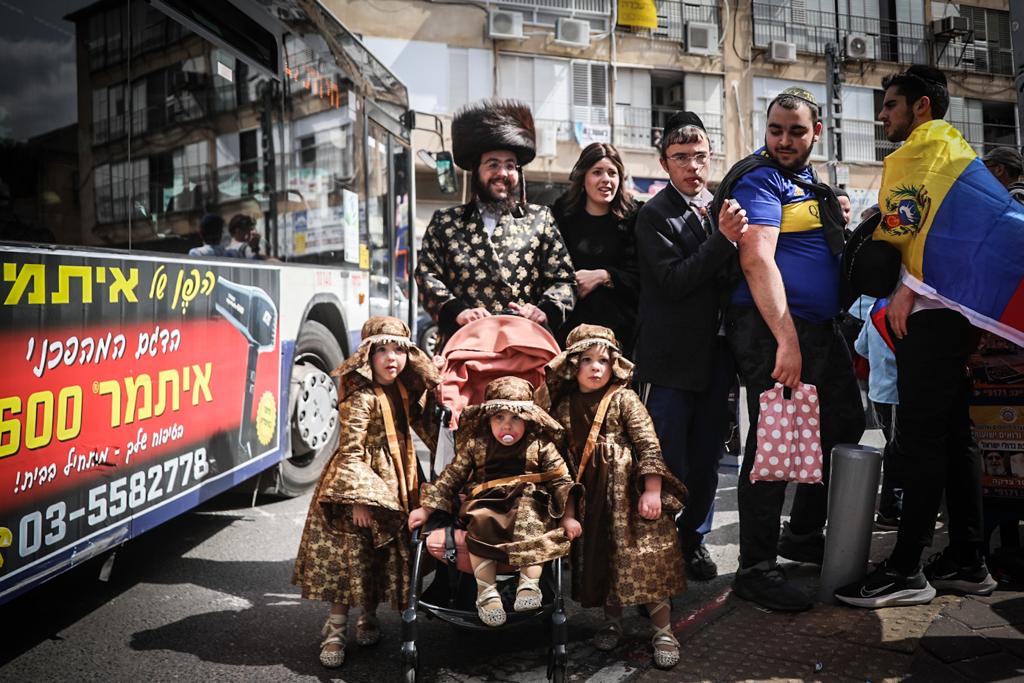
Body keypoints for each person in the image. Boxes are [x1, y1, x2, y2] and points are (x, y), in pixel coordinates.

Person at [835, 65, 997, 607]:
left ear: (921, 106)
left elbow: (926, 229)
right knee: (953, 435)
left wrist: (909, 289)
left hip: (930, 312)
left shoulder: (926, 150)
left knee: (922, 439)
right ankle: (968, 560)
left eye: (890, 104)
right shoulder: (953, 149)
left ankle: (906, 569)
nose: (882, 115)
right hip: (952, 313)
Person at [719, 87, 865, 611]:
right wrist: (786, 341)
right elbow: (757, 260)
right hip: (774, 330)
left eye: (796, 130)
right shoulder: (761, 178)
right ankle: (755, 569)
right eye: (775, 128)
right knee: (773, 447)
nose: (783, 139)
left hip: (819, 329)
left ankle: (801, 534)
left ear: (816, 133)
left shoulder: (805, 181)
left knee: (845, 424)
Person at [633, 111, 749, 582]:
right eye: (681, 158)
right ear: (664, 163)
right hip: (670, 362)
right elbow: (674, 280)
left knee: (707, 461)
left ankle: (693, 542)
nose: (692, 167)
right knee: (666, 463)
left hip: (719, 357)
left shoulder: (725, 206)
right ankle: (656, 552)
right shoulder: (654, 214)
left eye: (700, 157)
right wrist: (723, 241)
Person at [292, 316, 441, 668]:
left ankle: (368, 616)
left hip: (400, 480)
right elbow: (351, 449)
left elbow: (426, 428)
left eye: (400, 350)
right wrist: (359, 497)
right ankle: (335, 629)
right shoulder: (360, 396)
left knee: (383, 554)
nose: (392, 358)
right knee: (353, 556)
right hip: (362, 484)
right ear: (368, 356)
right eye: (383, 351)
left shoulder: (404, 389)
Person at [544, 324, 687, 669]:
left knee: (643, 560)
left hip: (629, 496)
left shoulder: (624, 398)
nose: (596, 367)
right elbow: (559, 461)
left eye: (604, 361)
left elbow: (648, 444)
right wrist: (568, 509)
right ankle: (613, 621)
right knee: (604, 561)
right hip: (590, 497)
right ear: (572, 364)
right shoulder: (563, 407)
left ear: (615, 365)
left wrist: (652, 490)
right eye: (588, 360)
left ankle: (664, 630)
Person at [408, 376, 581, 627]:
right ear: (488, 419)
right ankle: (487, 593)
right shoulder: (477, 445)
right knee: (481, 521)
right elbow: (452, 476)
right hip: (487, 501)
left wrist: (567, 516)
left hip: (528, 500)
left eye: (515, 419)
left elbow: (562, 481)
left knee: (532, 518)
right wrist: (426, 509)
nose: (506, 426)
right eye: (499, 418)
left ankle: (529, 585)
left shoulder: (540, 445)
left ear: (529, 419)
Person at [415, 99, 576, 346]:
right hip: (465, 345)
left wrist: (545, 310)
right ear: (476, 170)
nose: (503, 173)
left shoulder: (539, 219)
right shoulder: (446, 222)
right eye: (493, 164)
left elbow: (564, 280)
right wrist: (458, 311)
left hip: (525, 345)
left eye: (510, 166)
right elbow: (427, 275)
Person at [551, 143, 641, 357]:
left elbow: (644, 276)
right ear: (583, 177)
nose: (606, 180)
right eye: (597, 172)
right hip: (569, 332)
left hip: (619, 336)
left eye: (612, 173)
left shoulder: (636, 218)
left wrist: (604, 276)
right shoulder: (561, 216)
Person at [852, 293, 903, 529]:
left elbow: (860, 347)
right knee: (898, 452)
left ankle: (892, 508)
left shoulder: (874, 310)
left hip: (879, 394)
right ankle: (890, 509)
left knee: (895, 448)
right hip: (897, 394)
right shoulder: (909, 311)